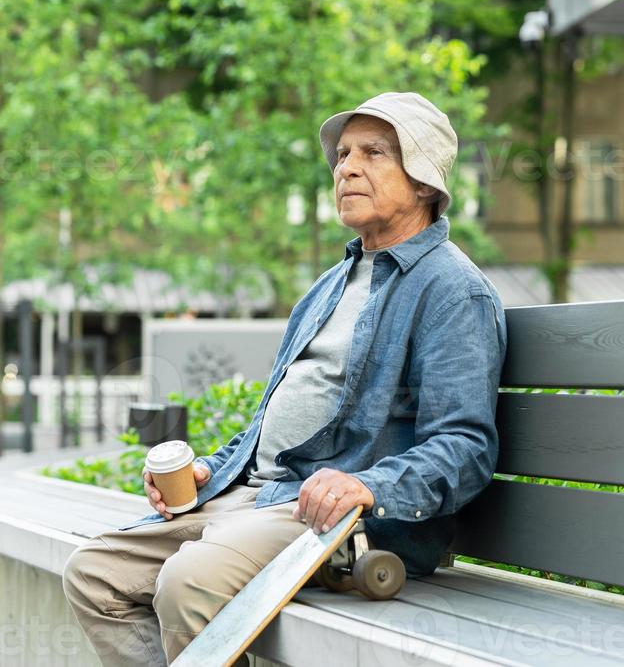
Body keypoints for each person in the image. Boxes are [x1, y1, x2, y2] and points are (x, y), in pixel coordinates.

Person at [63, 91, 507, 666]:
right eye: (343, 154)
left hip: (348, 523)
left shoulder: (453, 292)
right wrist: (209, 471)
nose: (346, 167)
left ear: (423, 182)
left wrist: (367, 485)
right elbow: (271, 424)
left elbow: (465, 448)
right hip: (259, 499)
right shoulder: (329, 286)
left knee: (188, 582)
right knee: (96, 574)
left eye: (374, 153)